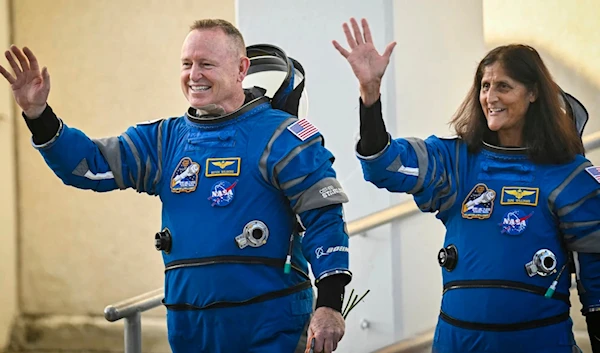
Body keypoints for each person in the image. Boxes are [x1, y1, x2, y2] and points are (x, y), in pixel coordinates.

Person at [1, 19, 351, 353]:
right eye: (187, 64)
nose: (193, 75)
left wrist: (330, 304)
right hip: (190, 329)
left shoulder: (283, 136)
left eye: (206, 64)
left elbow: (324, 218)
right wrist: (39, 115)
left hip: (271, 327)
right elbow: (89, 167)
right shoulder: (164, 141)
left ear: (241, 69)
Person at [333, 17, 600, 353]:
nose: (490, 96)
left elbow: (596, 270)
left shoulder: (567, 173)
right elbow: (384, 165)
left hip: (539, 341)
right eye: (485, 86)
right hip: (459, 342)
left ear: (533, 93)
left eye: (504, 86)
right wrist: (370, 95)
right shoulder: (456, 162)